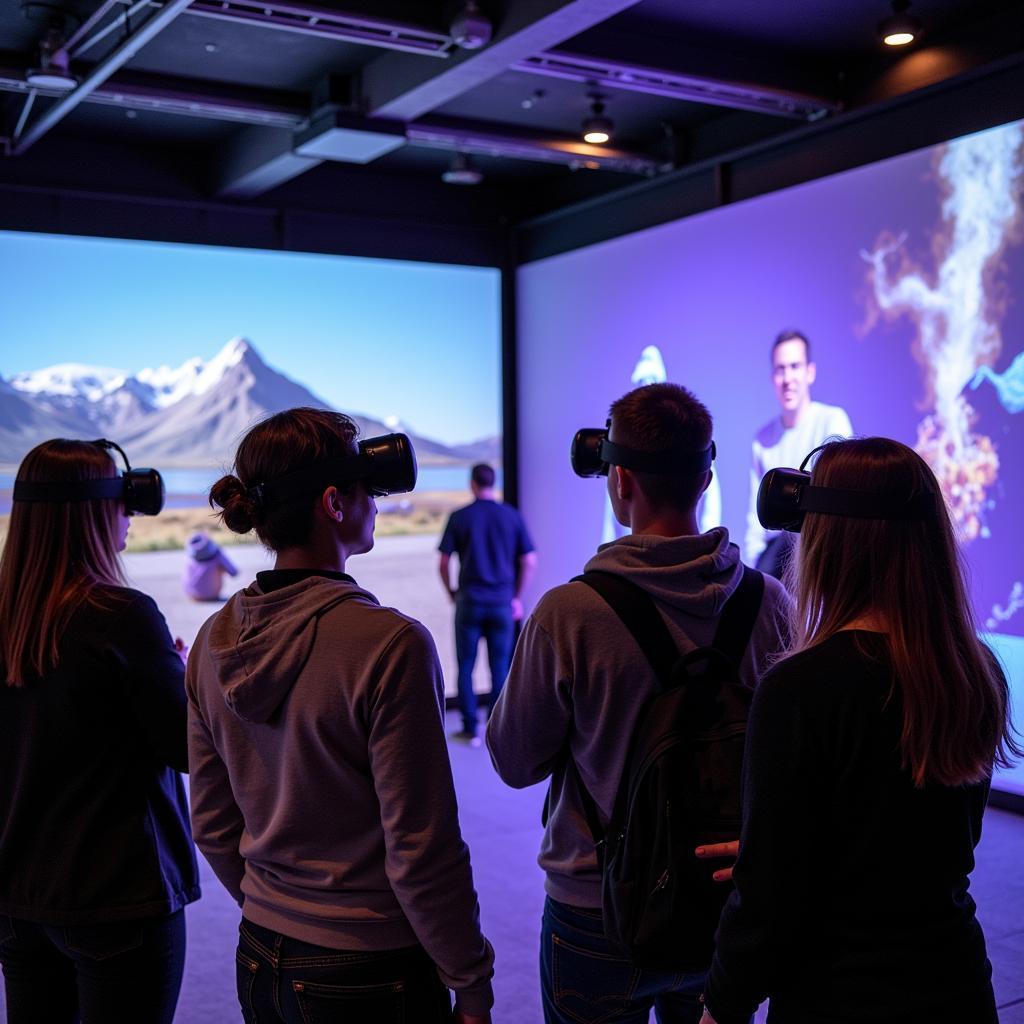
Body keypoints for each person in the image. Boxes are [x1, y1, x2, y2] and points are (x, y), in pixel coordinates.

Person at [486, 383, 791, 1024]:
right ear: (706, 478)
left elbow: (514, 761)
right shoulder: (771, 605)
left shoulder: (570, 613)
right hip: (722, 896)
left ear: (619, 480)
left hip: (596, 907)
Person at [187, 407, 494, 1024]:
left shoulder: (210, 641)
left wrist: (273, 904)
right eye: (367, 490)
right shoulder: (391, 644)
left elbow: (213, 824)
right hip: (370, 966)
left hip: (259, 953)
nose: (376, 503)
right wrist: (471, 976)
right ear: (334, 503)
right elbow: (421, 846)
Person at [700, 437, 1019, 1024]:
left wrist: (719, 1007)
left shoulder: (799, 687)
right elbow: (923, 842)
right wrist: (788, 848)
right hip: (957, 986)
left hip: (839, 996)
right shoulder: (977, 672)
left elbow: (766, 909)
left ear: (829, 542)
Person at [0, 438, 198, 1024]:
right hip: (117, 895)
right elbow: (187, 747)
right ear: (93, 511)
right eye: (122, 498)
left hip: (18, 896)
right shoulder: (122, 615)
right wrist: (180, 678)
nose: (129, 516)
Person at [438, 462, 536, 745]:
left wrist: (450, 592)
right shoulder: (511, 516)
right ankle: (497, 727)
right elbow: (529, 561)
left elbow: (443, 561)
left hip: (469, 601)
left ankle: (470, 728)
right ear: (493, 483)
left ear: (472, 483)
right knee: (500, 667)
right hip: (502, 603)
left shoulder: (460, 517)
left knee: (466, 666)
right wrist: (516, 596)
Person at [745, 329, 852, 577]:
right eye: (780, 369)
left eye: (794, 366)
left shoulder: (832, 421)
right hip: (777, 557)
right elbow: (755, 519)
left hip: (821, 545)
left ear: (810, 372)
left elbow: (839, 502)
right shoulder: (763, 440)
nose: (787, 378)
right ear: (772, 377)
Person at [182, 530, 239, 601]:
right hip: (212, 595)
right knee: (219, 565)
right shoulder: (217, 555)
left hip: (192, 596)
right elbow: (234, 573)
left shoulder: (189, 556)